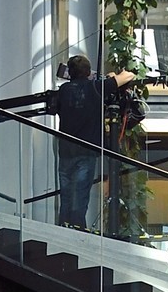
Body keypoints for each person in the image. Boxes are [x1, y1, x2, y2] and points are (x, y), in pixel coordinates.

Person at [55, 52, 140, 230]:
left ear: (70, 73)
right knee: (80, 196)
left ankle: (62, 228)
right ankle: (77, 231)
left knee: (66, 194)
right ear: (88, 72)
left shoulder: (64, 90)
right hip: (86, 151)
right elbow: (129, 76)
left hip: (65, 151)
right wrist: (112, 78)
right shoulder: (96, 87)